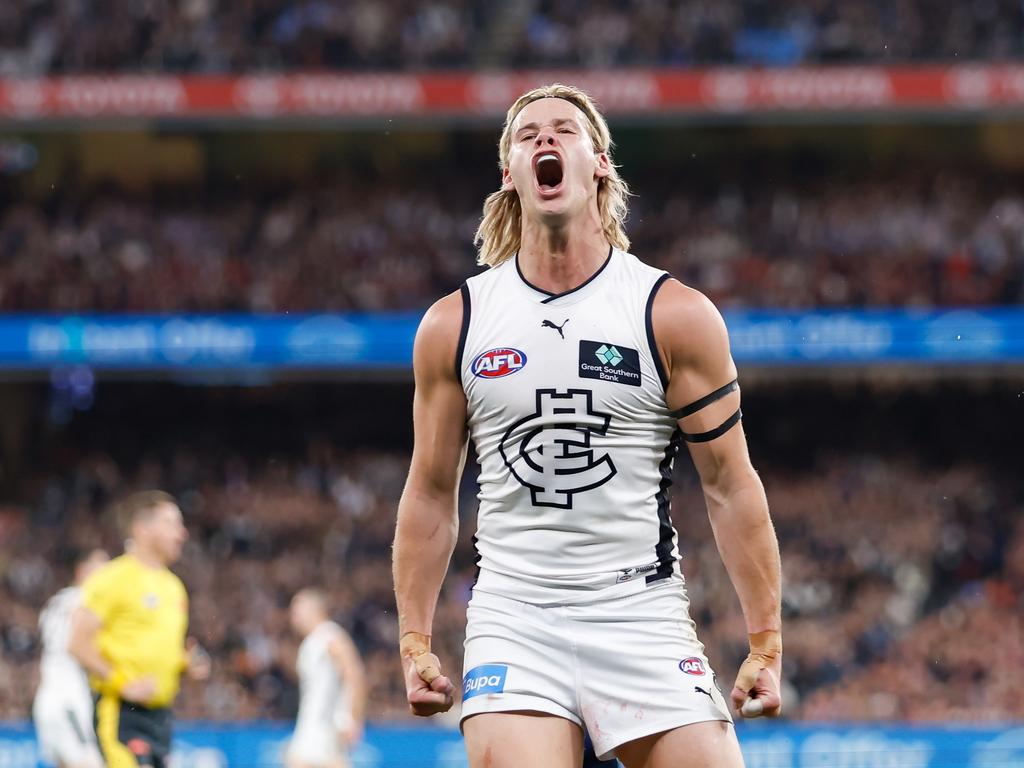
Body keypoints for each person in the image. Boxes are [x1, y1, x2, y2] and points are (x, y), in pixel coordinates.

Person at [392, 83, 783, 768]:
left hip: (640, 611)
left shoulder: (671, 313)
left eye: (565, 131)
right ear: (508, 172)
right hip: (516, 617)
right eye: (527, 133)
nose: (545, 140)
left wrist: (767, 639)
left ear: (599, 162)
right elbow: (429, 492)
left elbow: (730, 486)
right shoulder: (455, 324)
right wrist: (414, 641)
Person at [68, 491, 210, 768]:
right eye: (171, 524)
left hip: (161, 716)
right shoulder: (112, 579)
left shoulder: (174, 587)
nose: (182, 534)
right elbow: (77, 643)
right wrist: (123, 683)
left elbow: (156, 649)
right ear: (142, 529)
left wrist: (185, 663)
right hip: (122, 713)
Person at [33, 548, 110, 768]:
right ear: (83, 570)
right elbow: (76, 647)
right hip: (69, 700)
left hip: (49, 697)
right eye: (102, 566)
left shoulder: (57, 601)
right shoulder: (85, 601)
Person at [286, 588, 367, 768]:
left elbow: (354, 674)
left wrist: (352, 718)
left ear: (313, 610)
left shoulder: (332, 635)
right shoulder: (311, 641)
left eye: (296, 611)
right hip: (310, 721)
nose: (293, 618)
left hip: (327, 724)